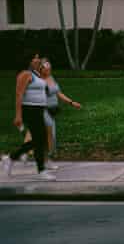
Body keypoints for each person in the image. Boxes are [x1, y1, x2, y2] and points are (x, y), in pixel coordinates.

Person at [2, 51, 54, 180]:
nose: (38, 60)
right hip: (29, 109)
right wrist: (18, 115)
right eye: (35, 58)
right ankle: (40, 170)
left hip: (38, 110)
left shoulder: (35, 74)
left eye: (38, 58)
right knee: (39, 139)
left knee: (39, 139)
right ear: (29, 60)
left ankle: (10, 158)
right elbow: (19, 95)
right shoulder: (24, 74)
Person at [38, 59, 81, 168]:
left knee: (51, 135)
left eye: (50, 69)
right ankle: (45, 160)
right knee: (49, 134)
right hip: (43, 110)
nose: (49, 71)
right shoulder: (38, 82)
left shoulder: (51, 78)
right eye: (46, 69)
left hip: (52, 110)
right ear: (41, 69)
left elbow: (59, 93)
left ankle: (38, 156)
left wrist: (72, 102)